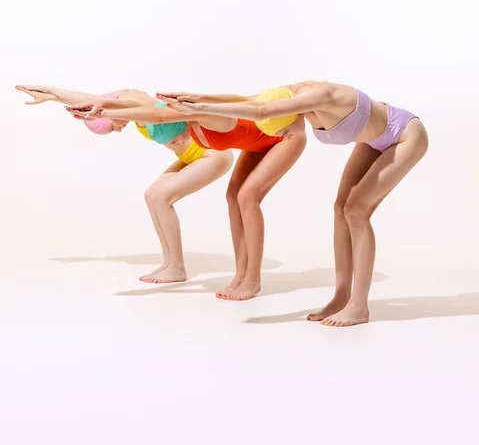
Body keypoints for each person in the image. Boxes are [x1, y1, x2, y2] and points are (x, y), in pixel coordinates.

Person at [155, 81, 428, 326]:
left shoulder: (319, 95)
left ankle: (359, 306)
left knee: (356, 211)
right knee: (339, 209)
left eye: (284, 130)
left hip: (404, 135)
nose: (286, 136)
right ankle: (341, 296)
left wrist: (199, 108)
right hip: (373, 139)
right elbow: (247, 100)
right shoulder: (289, 94)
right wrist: (200, 97)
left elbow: (261, 113)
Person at [68, 88, 307, 301]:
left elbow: (160, 114)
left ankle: (252, 280)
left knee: (247, 198)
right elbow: (150, 113)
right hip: (257, 143)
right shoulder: (185, 122)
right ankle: (240, 276)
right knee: (232, 198)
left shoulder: (206, 120)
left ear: (183, 131)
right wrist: (77, 102)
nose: (174, 146)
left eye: (174, 141)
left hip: (285, 138)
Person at [15, 84, 233, 284]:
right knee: (152, 196)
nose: (118, 130)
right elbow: (90, 99)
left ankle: (177, 268)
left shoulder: (140, 108)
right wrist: (52, 95)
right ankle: (169, 263)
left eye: (112, 128)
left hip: (212, 155)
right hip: (191, 156)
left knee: (161, 197)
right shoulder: (127, 100)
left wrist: (54, 93)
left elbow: (100, 102)